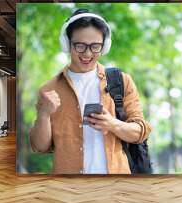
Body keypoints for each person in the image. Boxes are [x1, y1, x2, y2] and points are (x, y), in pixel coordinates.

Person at [29, 9, 152, 174]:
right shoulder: (49, 90)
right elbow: (40, 146)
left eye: (95, 46)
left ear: (104, 46)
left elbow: (140, 132)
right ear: (67, 43)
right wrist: (44, 114)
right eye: (80, 46)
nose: (87, 53)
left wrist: (113, 124)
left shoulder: (121, 81)